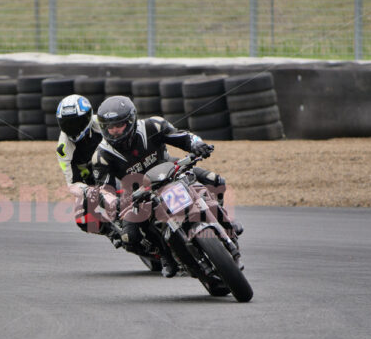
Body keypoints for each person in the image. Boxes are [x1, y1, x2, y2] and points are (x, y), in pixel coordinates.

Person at [92, 95, 238, 277]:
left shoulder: (153, 126)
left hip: (171, 171)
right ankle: (164, 255)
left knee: (215, 181)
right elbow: (104, 189)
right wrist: (114, 202)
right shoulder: (101, 155)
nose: (114, 131)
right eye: (109, 127)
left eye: (118, 125)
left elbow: (183, 136)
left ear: (131, 120)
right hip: (139, 192)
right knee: (130, 237)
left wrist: (197, 145)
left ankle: (224, 222)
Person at [55, 94, 120, 244]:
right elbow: (72, 183)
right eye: (67, 124)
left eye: (76, 123)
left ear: (88, 117)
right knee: (82, 219)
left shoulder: (104, 125)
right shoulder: (63, 149)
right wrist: (87, 190)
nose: (72, 128)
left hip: (116, 169)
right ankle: (112, 232)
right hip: (91, 183)